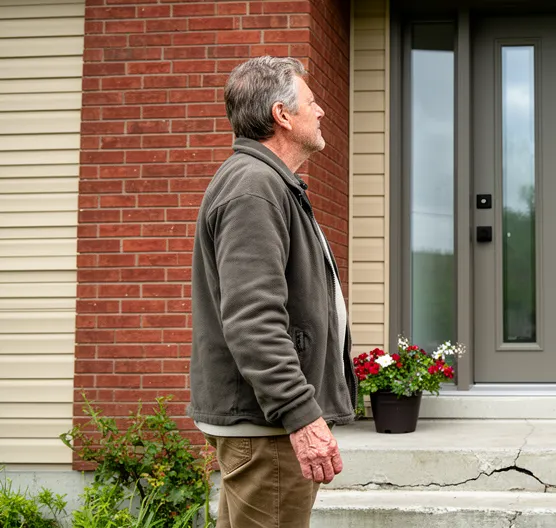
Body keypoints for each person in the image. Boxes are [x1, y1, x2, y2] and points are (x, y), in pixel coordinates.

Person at [187, 56, 357, 527]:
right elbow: (253, 319)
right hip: (269, 427)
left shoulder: (269, 184)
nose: (321, 110)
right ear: (282, 114)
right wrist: (300, 415)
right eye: (311, 101)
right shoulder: (255, 188)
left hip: (268, 422)